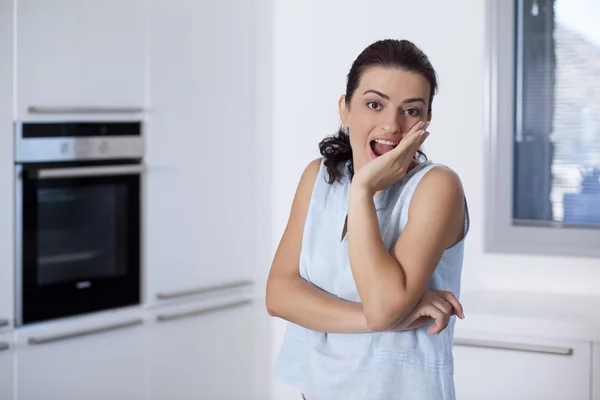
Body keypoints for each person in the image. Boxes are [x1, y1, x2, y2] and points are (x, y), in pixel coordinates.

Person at [265, 39, 470, 400]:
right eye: (374, 104)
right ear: (345, 109)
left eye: (411, 110)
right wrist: (393, 317)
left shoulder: (437, 187)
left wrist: (362, 191)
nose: (391, 126)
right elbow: (279, 295)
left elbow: (384, 308)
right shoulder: (319, 179)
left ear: (426, 121)